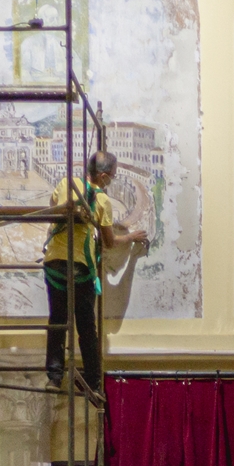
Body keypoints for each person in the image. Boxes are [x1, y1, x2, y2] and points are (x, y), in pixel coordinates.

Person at [41, 151, 146, 388]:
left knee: (57, 320)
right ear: (103, 176)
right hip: (80, 267)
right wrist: (130, 236)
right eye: (112, 176)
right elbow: (109, 242)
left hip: (54, 262)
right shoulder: (102, 201)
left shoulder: (66, 183)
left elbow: (53, 209)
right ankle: (93, 381)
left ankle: (54, 377)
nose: (112, 180)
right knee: (87, 327)